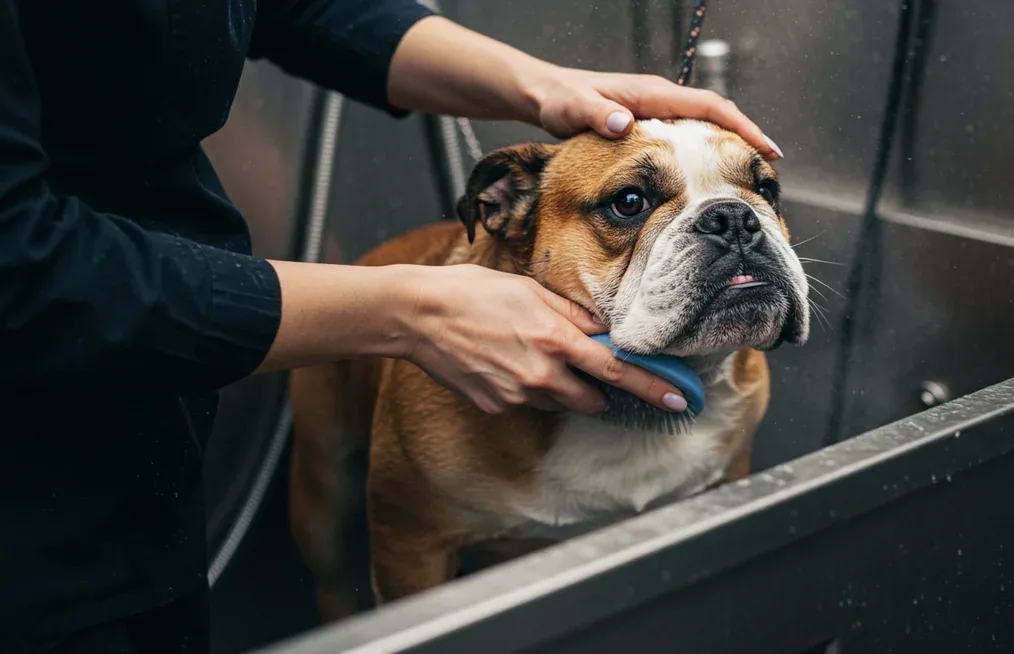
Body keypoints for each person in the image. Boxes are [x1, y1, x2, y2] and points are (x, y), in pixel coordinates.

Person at [0, 1, 781, 651]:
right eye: (632, 205)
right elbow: (21, 269)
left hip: (150, 425)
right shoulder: (444, 400)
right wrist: (409, 312)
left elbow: (298, 3)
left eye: (761, 192)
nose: (738, 229)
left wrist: (547, 86)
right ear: (498, 220)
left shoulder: (742, 382)